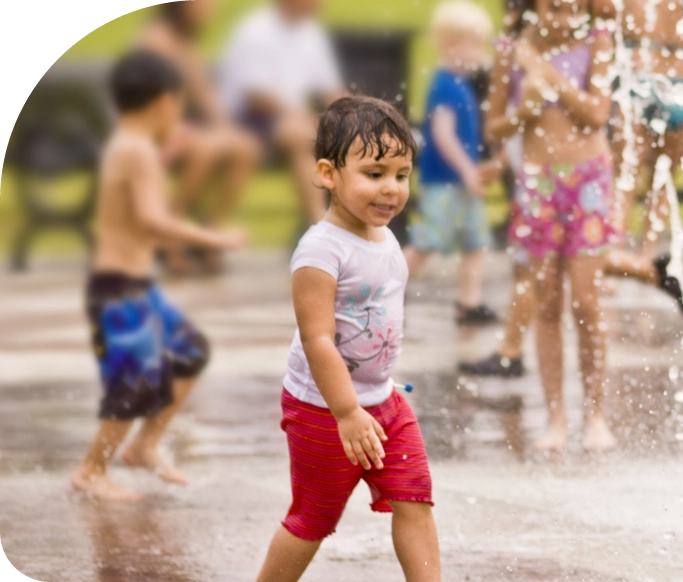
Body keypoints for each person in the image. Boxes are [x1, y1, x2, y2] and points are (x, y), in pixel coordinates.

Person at [254, 96, 439, 582]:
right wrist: (347, 412)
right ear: (328, 173)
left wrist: (379, 389)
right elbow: (318, 340)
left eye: (401, 175)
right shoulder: (320, 250)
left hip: (384, 405)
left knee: (414, 498)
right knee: (313, 519)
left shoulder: (384, 236)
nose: (391, 189)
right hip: (325, 409)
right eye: (374, 173)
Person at [459, 0, 683, 379]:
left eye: (574, 10)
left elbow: (596, 115)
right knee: (542, 291)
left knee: (584, 301)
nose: (565, 21)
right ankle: (518, 361)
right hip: (538, 181)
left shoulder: (594, 42)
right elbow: (494, 129)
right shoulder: (510, 50)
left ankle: (521, 359)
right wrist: (524, 112)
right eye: (555, 10)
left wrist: (544, 73)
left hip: (586, 180)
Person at [70, 50, 246, 502]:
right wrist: (213, 239)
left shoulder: (129, 146)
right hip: (119, 290)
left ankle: (144, 445)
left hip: (133, 286)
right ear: (165, 102)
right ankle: (92, 469)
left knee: (190, 351)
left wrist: (165, 154)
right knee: (132, 383)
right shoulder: (137, 152)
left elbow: (132, 203)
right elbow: (150, 219)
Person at [140, 0, 261, 276]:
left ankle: (210, 232)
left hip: (184, 129)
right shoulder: (156, 39)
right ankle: (167, 233)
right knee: (204, 148)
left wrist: (228, 129)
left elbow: (206, 98)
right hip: (152, 132)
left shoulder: (188, 45)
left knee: (246, 147)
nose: (211, 8)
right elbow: (148, 104)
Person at [403, 0, 503, 325]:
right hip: (445, 182)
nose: (480, 51)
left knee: (476, 243)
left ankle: (468, 303)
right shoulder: (444, 85)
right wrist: (466, 169)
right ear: (449, 44)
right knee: (426, 243)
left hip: (463, 183)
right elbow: (442, 134)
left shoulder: (460, 83)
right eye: (473, 44)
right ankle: (383, 290)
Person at [610, 0, 683, 259]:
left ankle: (613, 255)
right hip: (682, 79)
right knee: (663, 177)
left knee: (626, 174)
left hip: (641, 69)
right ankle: (646, 254)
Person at [219, 0, 347, 225]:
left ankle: (340, 221)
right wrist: (300, 115)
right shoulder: (256, 31)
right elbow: (255, 97)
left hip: (284, 119)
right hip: (246, 120)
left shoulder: (311, 33)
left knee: (343, 133)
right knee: (303, 135)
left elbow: (330, 90)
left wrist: (358, 115)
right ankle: (319, 223)